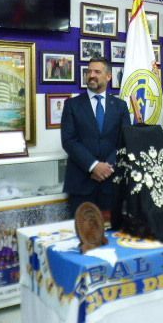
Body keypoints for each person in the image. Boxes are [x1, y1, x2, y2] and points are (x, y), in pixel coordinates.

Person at [61, 57, 130, 214]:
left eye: (97, 72)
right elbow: (69, 141)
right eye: (89, 71)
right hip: (81, 184)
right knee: (81, 228)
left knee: (112, 228)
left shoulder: (120, 106)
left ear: (108, 76)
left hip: (111, 183)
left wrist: (107, 167)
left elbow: (125, 141)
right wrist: (93, 166)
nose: (91, 75)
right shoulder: (72, 105)